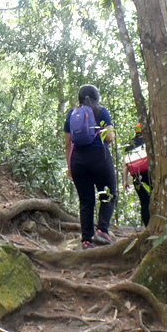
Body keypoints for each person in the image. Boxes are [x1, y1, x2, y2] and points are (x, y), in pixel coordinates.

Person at [64, 85, 117, 249]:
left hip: (78, 161)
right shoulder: (102, 111)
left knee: (86, 201)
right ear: (97, 97)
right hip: (100, 158)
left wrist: (70, 166)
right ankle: (102, 230)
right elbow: (108, 138)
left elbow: (68, 143)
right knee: (109, 193)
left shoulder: (72, 114)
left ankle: (87, 241)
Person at [124, 123, 151, 227]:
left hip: (136, 177)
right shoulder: (148, 141)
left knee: (144, 203)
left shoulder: (130, 145)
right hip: (148, 175)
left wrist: (125, 181)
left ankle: (147, 226)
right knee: (153, 198)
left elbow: (126, 165)